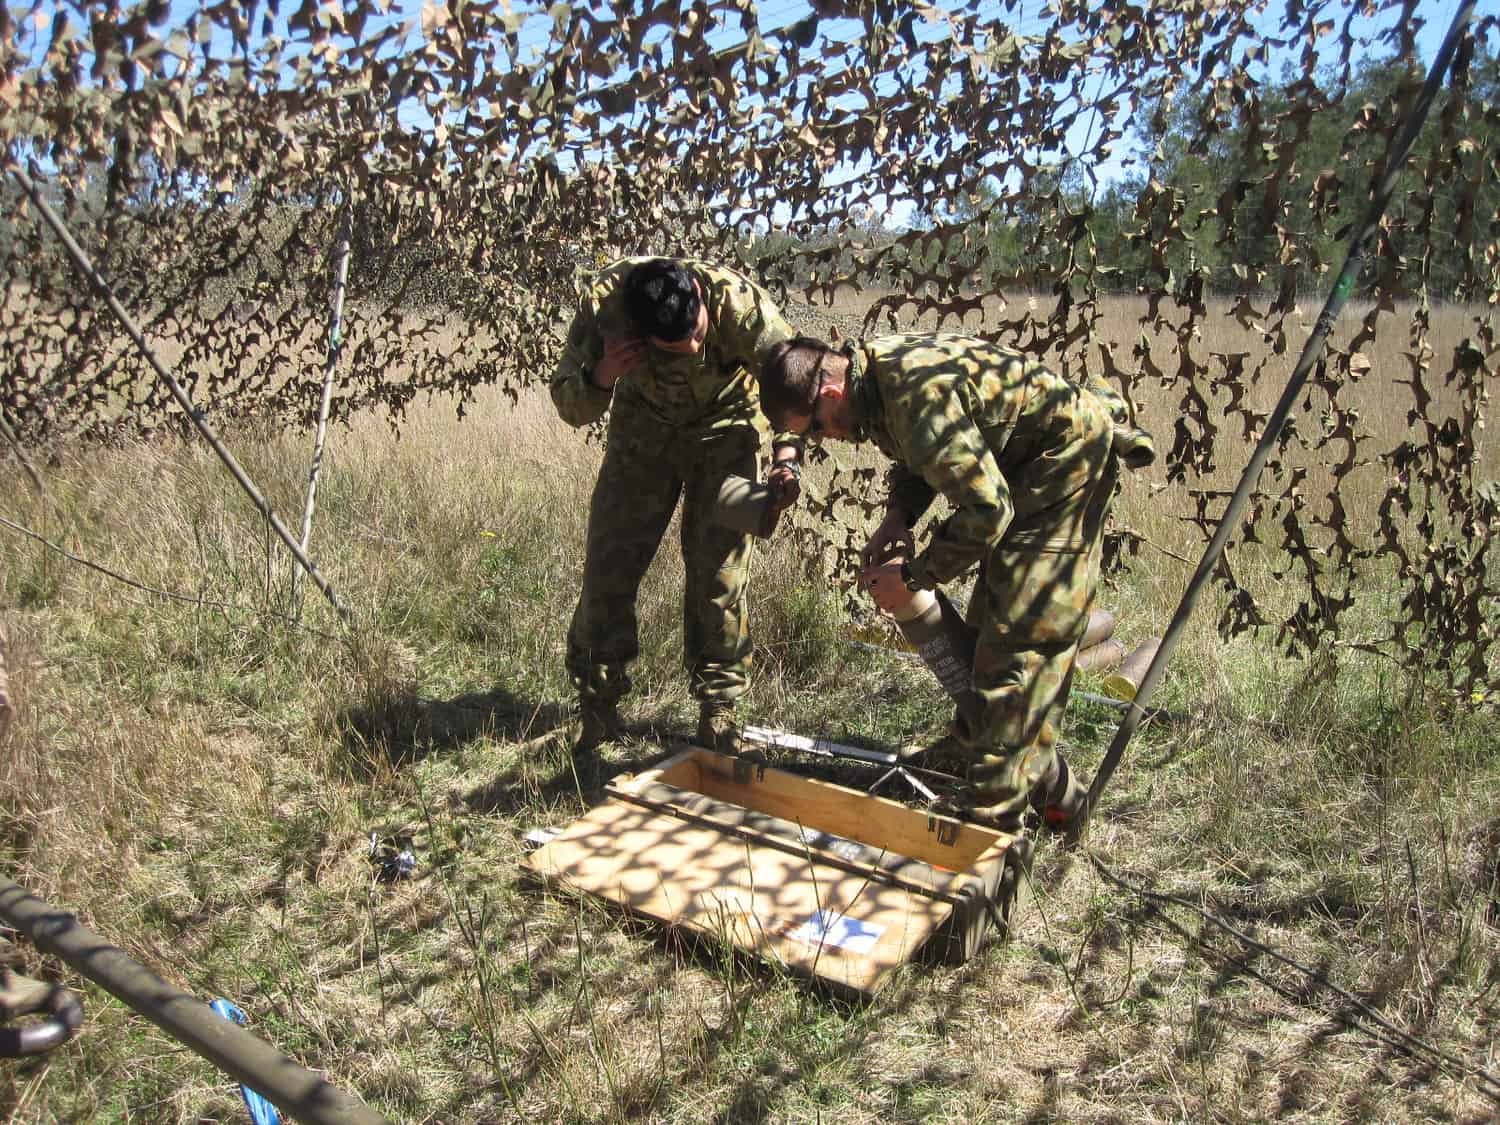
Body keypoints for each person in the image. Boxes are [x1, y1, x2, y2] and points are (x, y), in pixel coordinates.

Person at [757, 332, 1155, 837]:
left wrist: (913, 577)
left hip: (1063, 467)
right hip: (1019, 472)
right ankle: (1025, 776)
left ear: (831, 394)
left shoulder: (908, 392)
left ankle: (992, 831)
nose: (824, 438)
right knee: (987, 638)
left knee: (1015, 660)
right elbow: (922, 454)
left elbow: (988, 511)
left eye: (816, 427)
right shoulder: (869, 378)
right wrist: (899, 517)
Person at [551, 257, 802, 758]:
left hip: (729, 430)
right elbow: (570, 405)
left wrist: (786, 459)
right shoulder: (606, 306)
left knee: (720, 575)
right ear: (639, 332)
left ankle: (719, 712)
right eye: (673, 345)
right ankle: (597, 705)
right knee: (609, 567)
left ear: (700, 296)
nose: (691, 347)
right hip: (640, 433)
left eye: (698, 334)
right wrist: (602, 374)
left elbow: (791, 382)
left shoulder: (742, 306)